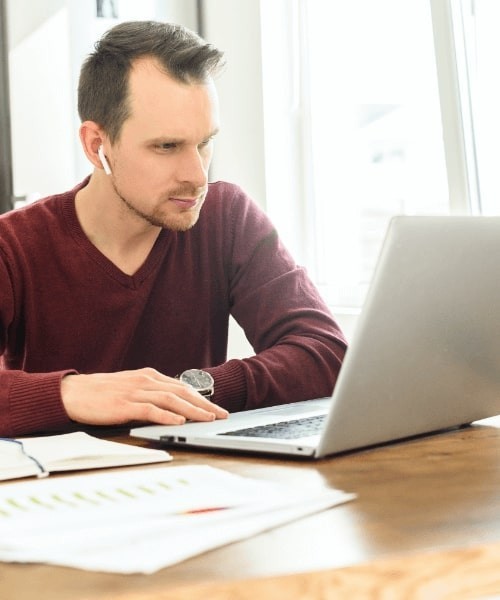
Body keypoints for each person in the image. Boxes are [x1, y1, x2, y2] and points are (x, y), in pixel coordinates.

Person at [0, 21, 347, 438]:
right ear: (97, 145)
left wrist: (190, 389)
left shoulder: (226, 216)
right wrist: (74, 393)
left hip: (197, 483)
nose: (197, 176)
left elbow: (325, 354)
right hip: (57, 491)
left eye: (204, 142)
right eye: (166, 147)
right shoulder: (13, 245)